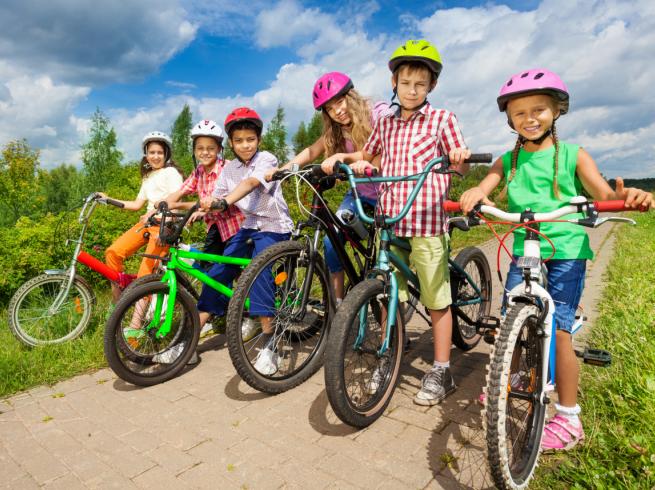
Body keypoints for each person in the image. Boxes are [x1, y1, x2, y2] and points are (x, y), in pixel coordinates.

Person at [459, 68, 653, 451]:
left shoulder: (573, 155)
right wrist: (475, 195)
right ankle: (512, 381)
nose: (529, 119)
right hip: (524, 248)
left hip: (564, 250)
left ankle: (568, 418)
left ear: (557, 111)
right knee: (514, 320)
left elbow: (600, 192)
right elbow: (486, 187)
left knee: (559, 329)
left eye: (539, 110)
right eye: (519, 113)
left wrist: (627, 194)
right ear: (509, 119)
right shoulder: (507, 161)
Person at [322, 39, 472, 406]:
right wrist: (348, 157)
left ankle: (441, 369)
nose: (412, 90)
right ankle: (390, 353)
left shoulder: (442, 119)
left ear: (431, 86)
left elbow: (461, 166)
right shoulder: (385, 122)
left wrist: (459, 156)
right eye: (406, 83)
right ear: (395, 83)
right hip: (390, 220)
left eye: (420, 84)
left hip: (426, 220)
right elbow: (369, 154)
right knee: (393, 293)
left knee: (437, 298)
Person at [267, 72, 386, 305]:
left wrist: (350, 159)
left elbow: (391, 150)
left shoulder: (378, 114)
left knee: (387, 255)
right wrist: (281, 170)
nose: (338, 111)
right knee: (332, 238)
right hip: (360, 194)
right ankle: (338, 303)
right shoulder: (336, 130)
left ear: (351, 96)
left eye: (340, 102)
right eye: (330, 109)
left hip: (389, 194)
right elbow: (312, 151)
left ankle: (392, 305)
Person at [193, 107, 294, 373]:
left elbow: (249, 184)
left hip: (274, 227)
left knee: (257, 270)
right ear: (232, 143)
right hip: (249, 227)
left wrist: (222, 202)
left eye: (250, 139)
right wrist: (199, 210)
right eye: (239, 140)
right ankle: (190, 339)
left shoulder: (267, 159)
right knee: (217, 271)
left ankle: (271, 344)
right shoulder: (230, 168)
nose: (245, 145)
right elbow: (217, 196)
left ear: (258, 139)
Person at [102, 131, 184, 302]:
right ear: (146, 154)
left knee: (144, 276)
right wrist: (108, 199)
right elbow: (136, 205)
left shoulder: (171, 173)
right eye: (152, 152)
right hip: (147, 223)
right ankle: (118, 303)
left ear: (166, 154)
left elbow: (176, 201)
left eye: (159, 152)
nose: (155, 156)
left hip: (163, 224)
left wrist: (166, 227)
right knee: (113, 252)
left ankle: (138, 320)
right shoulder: (148, 177)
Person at [163, 119, 244, 258]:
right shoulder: (198, 172)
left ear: (219, 149)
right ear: (194, 150)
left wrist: (182, 206)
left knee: (236, 271)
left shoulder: (227, 168)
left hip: (236, 227)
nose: (205, 152)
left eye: (211, 148)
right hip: (215, 228)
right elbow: (179, 192)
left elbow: (218, 201)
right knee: (210, 270)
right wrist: (159, 207)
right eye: (200, 148)